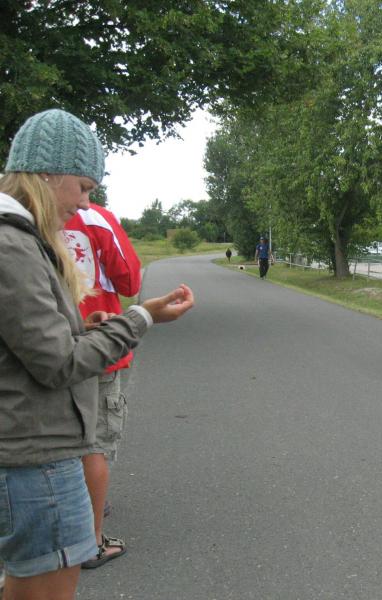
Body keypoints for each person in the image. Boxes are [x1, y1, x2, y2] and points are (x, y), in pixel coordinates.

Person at [0, 108, 194, 600]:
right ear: (48, 175)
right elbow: (59, 363)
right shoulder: (11, 245)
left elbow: (28, 340)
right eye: (84, 187)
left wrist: (81, 327)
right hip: (36, 456)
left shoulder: (21, 239)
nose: (86, 202)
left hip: (32, 448)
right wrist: (141, 317)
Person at [63, 203, 142, 569]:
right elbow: (130, 281)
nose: (84, 197)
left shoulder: (16, 211)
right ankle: (91, 541)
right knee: (93, 441)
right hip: (96, 344)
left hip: (40, 343)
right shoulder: (93, 217)